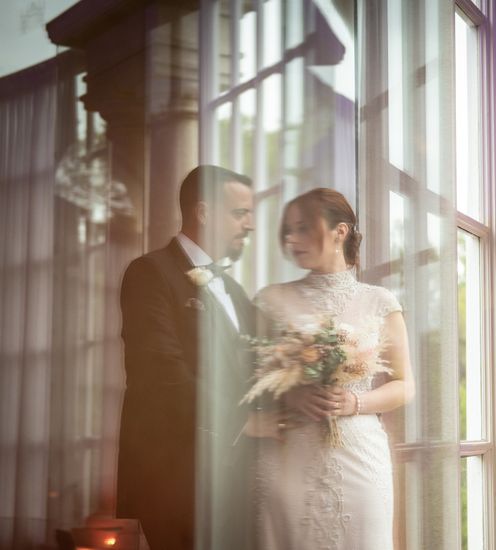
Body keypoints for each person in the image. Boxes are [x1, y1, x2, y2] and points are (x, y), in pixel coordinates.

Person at [248, 188, 415, 549]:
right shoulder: (269, 300)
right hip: (288, 454)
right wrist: (290, 392)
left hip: (358, 455)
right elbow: (243, 380)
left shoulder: (380, 301)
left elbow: (404, 386)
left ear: (340, 231)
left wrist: (355, 403)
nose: (292, 239)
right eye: (288, 231)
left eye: (304, 228)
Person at [116, 165, 257, 550]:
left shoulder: (234, 289)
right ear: (205, 212)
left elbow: (255, 366)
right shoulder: (150, 273)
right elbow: (161, 372)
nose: (251, 224)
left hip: (231, 477)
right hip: (173, 476)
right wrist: (245, 421)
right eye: (240, 213)